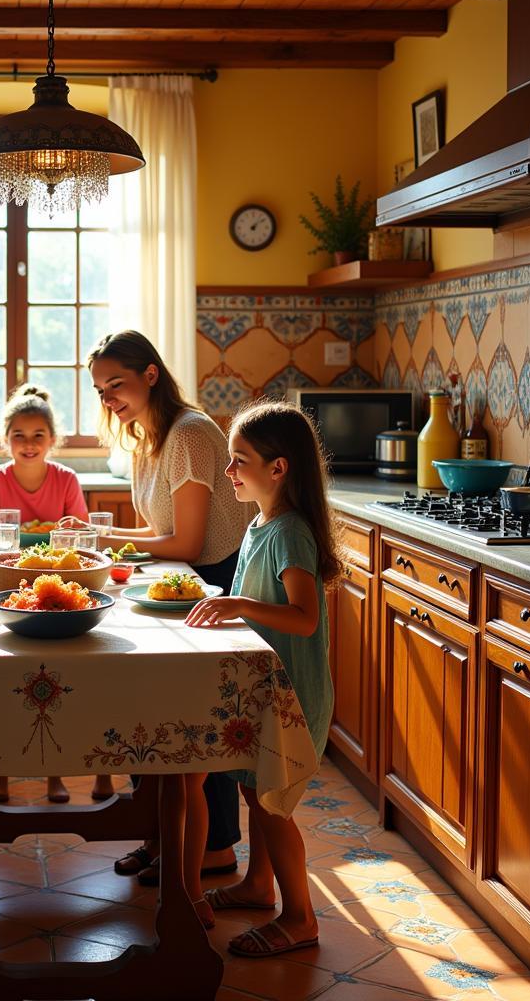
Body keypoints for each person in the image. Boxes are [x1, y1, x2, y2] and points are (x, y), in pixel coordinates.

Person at [84, 329, 253, 886]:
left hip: (211, 584)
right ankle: (162, 838)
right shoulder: (145, 437)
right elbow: (161, 531)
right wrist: (96, 535)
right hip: (176, 584)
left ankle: (215, 850)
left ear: (150, 374)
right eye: (100, 389)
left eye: (116, 384)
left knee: (201, 718)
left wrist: (106, 544)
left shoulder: (189, 433)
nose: (108, 398)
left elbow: (187, 542)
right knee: (148, 707)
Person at [183, 399, 342, 957]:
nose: (229, 472)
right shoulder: (261, 522)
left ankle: (301, 918)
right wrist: (233, 606)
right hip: (265, 689)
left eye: (239, 460)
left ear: (278, 468)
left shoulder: (291, 532)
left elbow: (304, 617)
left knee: (272, 803)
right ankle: (257, 885)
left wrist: (240, 604)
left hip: (291, 693)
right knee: (256, 792)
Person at [0, 384, 92, 804]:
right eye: (19, 435)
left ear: (52, 439)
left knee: (59, 677)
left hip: (56, 586)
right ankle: (0, 773)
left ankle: (55, 774)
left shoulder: (66, 479)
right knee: (2, 678)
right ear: (5, 439)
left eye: (37, 435)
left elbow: (78, 538)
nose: (28, 444)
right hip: (7, 583)